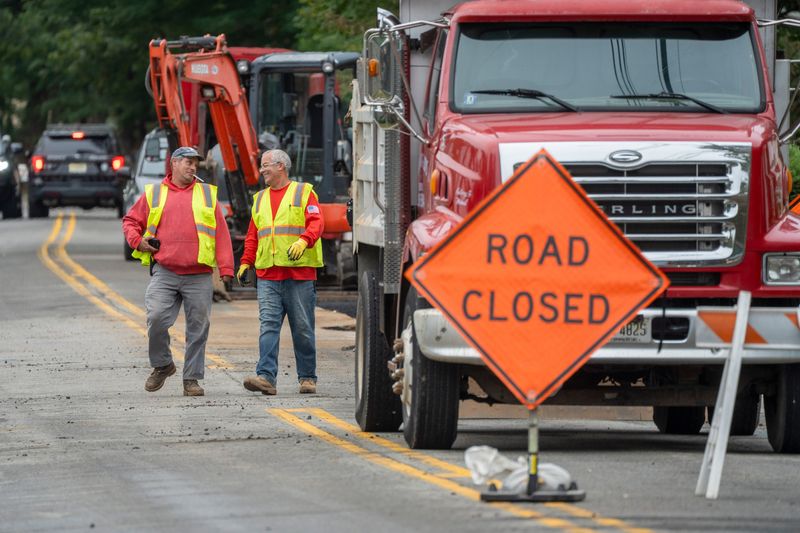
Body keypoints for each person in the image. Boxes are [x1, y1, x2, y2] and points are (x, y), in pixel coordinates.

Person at [123, 146, 234, 397]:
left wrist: (226, 268)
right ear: (173, 164)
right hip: (165, 271)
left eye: (195, 163)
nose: (193, 167)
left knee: (198, 328)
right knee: (156, 318)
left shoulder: (206, 194)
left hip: (199, 275)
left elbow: (222, 233)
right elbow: (130, 221)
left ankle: (191, 379)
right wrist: (137, 241)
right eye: (187, 162)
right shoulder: (154, 194)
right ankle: (163, 365)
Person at [238, 149, 324, 395]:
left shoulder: (303, 192)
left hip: (299, 275)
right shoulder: (260, 198)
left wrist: (303, 241)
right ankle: (265, 377)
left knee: (303, 328)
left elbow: (317, 222)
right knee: (268, 326)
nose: (262, 170)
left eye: (266, 165)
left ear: (281, 167)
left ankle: (307, 378)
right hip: (268, 275)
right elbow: (254, 235)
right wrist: (246, 262)